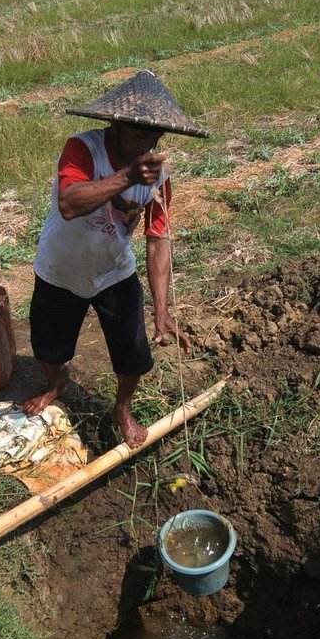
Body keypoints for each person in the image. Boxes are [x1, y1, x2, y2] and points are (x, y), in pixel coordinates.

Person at [23, 70, 209, 448]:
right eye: (139, 133)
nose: (148, 143)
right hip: (61, 267)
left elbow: (158, 241)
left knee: (133, 354)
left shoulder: (159, 179)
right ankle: (57, 382)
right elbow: (70, 203)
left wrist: (161, 310)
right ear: (115, 124)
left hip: (113, 272)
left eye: (155, 135)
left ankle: (122, 408)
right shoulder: (82, 149)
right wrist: (126, 178)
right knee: (48, 346)